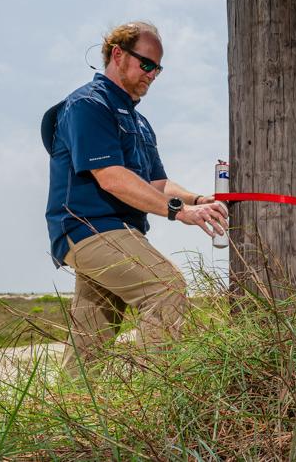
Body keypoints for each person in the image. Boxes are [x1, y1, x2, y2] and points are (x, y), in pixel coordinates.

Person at [41, 21, 229, 373]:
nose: (152, 75)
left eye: (158, 69)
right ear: (117, 54)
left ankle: (67, 418)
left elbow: (157, 183)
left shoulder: (139, 122)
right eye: (147, 64)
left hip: (119, 233)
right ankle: (155, 407)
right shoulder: (88, 105)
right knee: (165, 287)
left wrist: (197, 200)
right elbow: (112, 178)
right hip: (90, 229)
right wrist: (178, 213)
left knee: (89, 344)